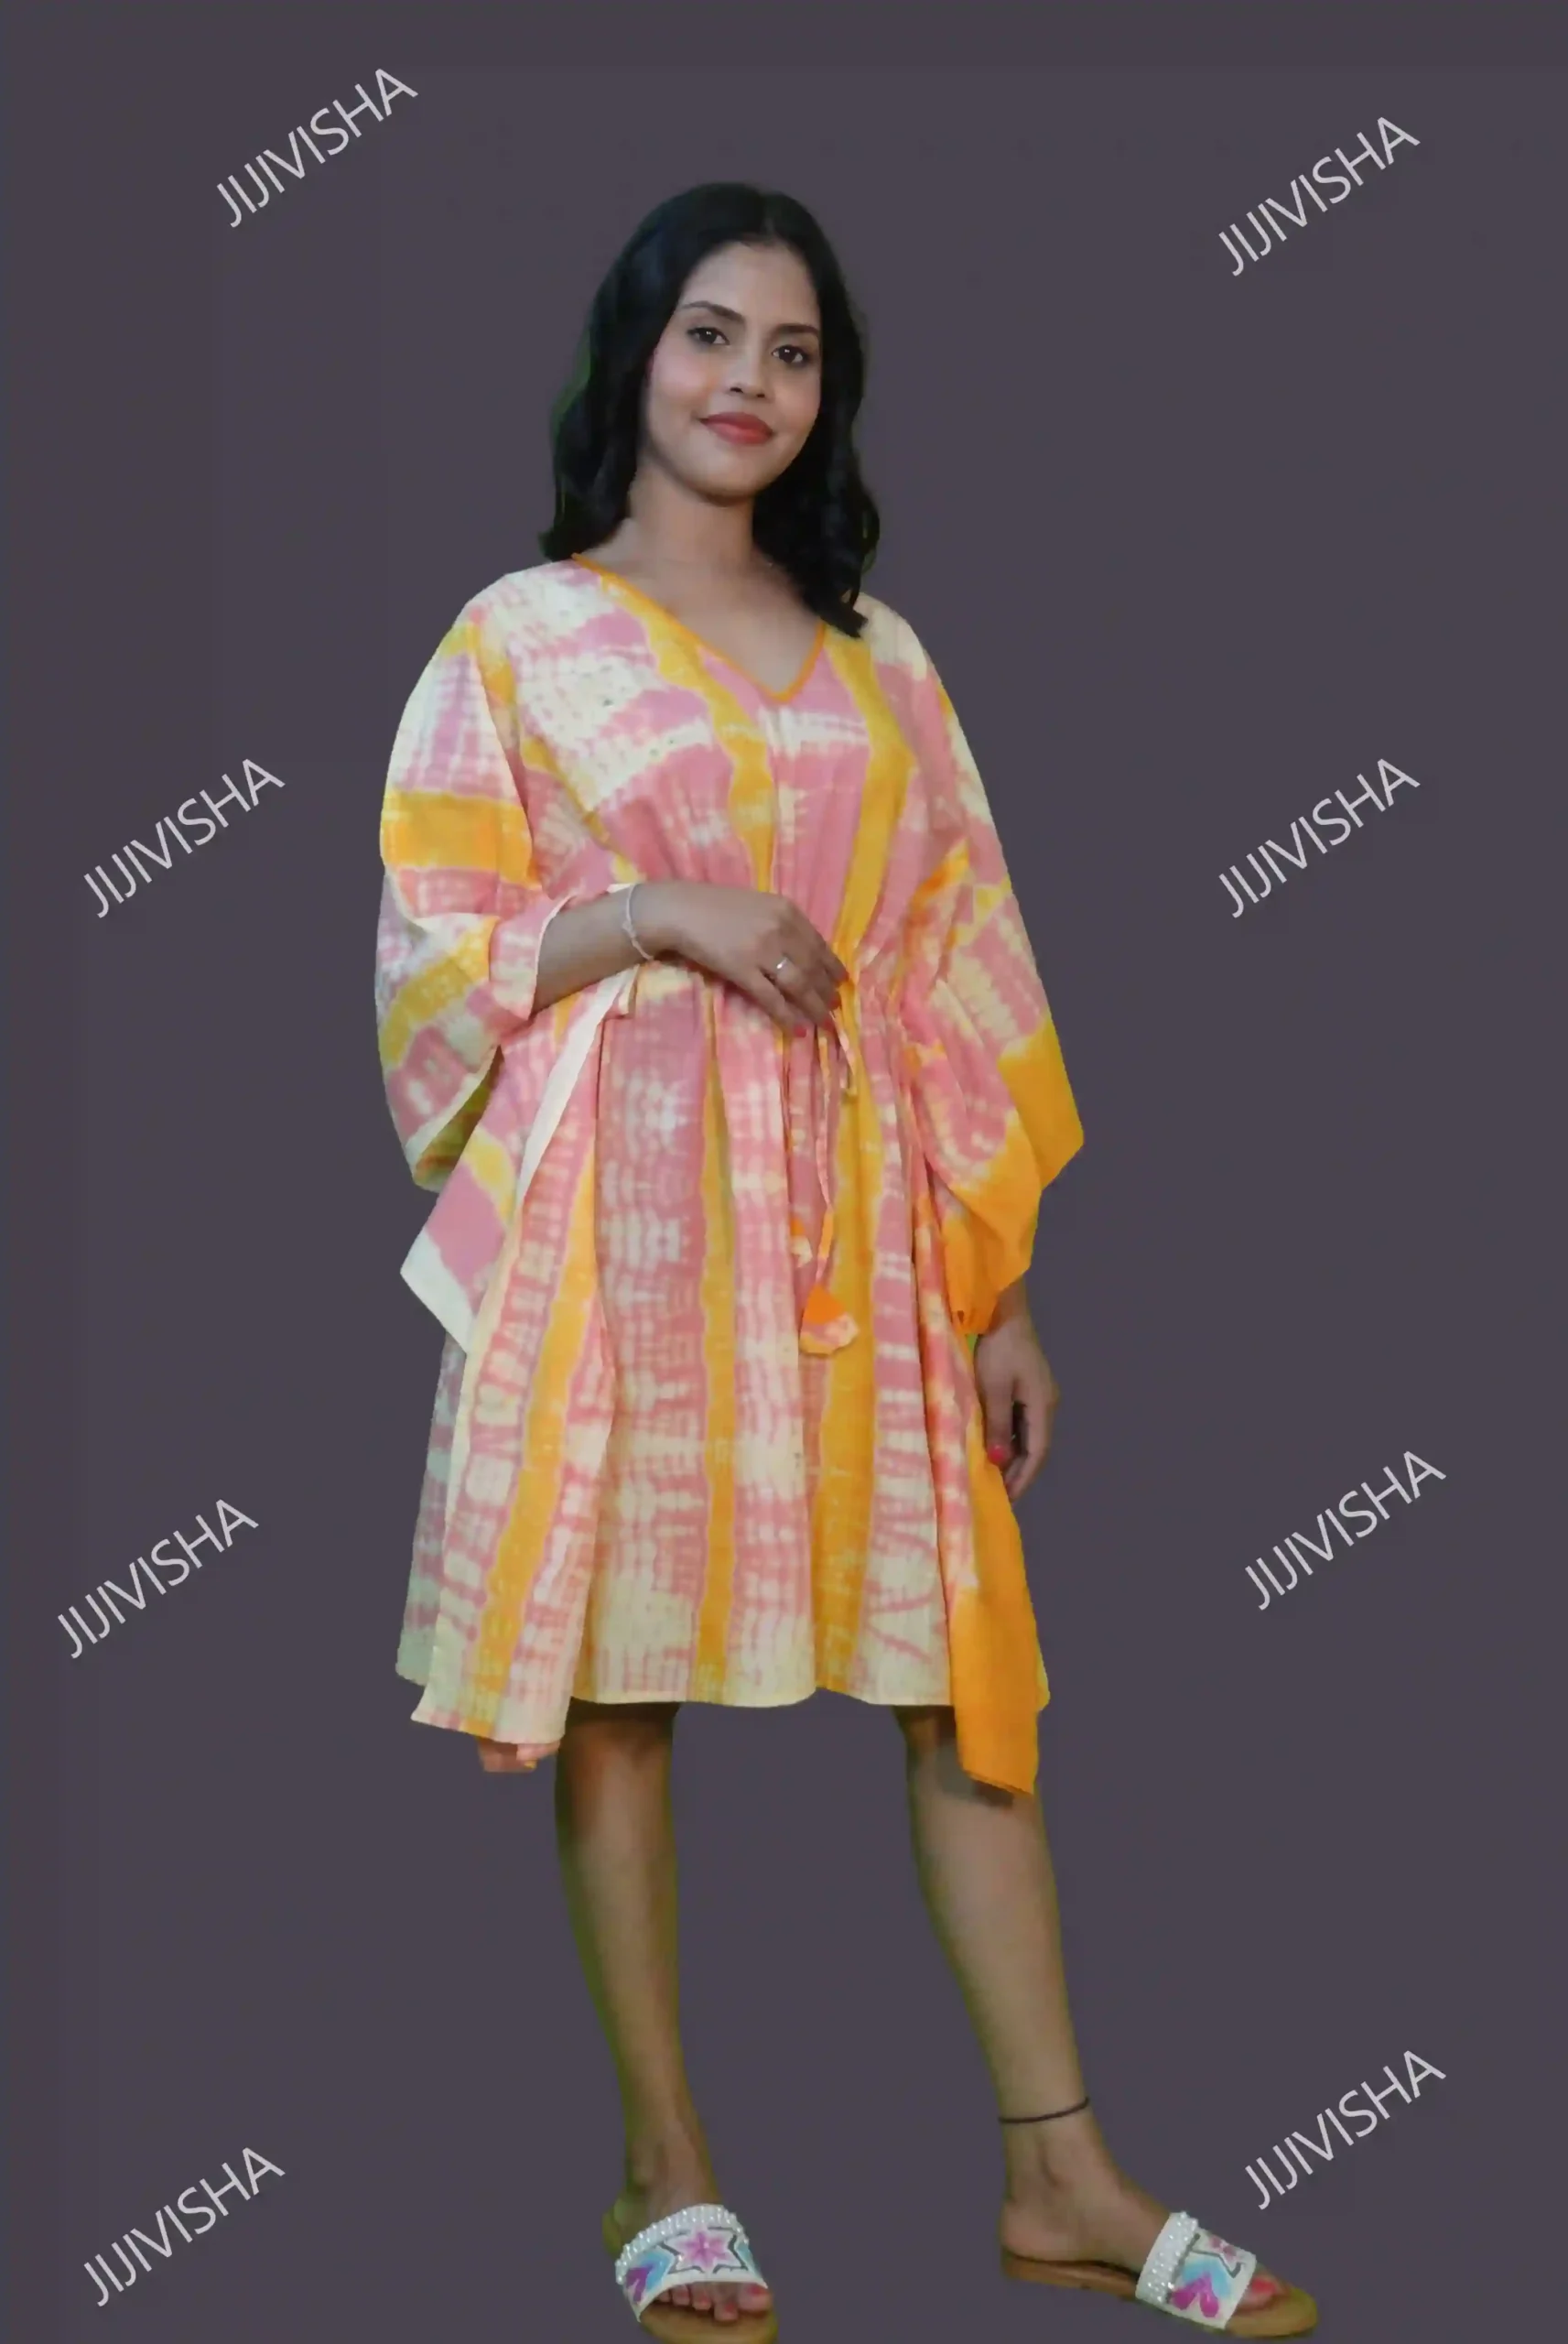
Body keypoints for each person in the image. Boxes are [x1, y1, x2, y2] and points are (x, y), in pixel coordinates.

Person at [373, 182, 1317, 2342]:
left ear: (828, 393)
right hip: (622, 1220)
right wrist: (661, 914)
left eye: (792, 352)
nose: (749, 382)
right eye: (710, 335)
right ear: (634, 354)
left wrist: (998, 1286)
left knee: (962, 1685)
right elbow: (434, 943)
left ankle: (1059, 2174)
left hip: (862, 1215)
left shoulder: (883, 654)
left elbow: (958, 957)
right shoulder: (516, 639)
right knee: (618, 1686)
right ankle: (667, 2166)